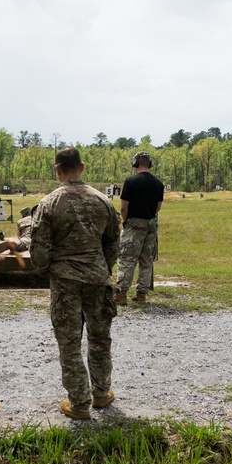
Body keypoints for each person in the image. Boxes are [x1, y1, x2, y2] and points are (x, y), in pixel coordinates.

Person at [31, 147, 121, 420]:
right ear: (81, 167)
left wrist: (51, 268)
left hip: (65, 282)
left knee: (69, 343)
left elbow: (39, 253)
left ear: (57, 169)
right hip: (97, 278)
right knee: (99, 338)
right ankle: (102, 392)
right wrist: (101, 267)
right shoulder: (102, 200)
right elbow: (113, 242)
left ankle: (80, 403)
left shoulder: (48, 204)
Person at [115, 151, 164, 305]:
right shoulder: (158, 183)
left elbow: (123, 208)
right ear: (149, 164)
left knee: (127, 259)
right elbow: (158, 207)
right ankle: (141, 294)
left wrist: (126, 221)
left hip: (134, 224)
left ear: (135, 164)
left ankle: (121, 294)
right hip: (151, 224)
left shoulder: (130, 181)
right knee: (146, 260)